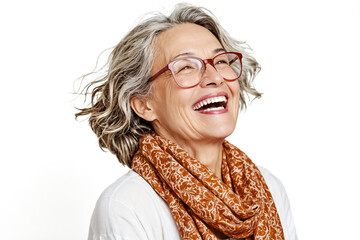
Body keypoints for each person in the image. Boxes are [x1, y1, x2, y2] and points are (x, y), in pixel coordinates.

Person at [76, 3, 297, 240]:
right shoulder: (127, 206)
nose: (214, 77)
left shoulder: (267, 189)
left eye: (221, 61)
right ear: (144, 104)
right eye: (186, 67)